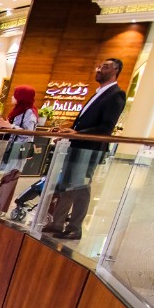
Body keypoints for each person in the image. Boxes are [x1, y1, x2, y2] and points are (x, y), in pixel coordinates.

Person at [43, 58, 127, 241]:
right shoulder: (97, 93)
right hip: (77, 146)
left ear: (115, 70)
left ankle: (75, 227)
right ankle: (57, 223)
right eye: (99, 66)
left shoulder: (116, 95)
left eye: (105, 67)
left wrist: (77, 132)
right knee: (65, 185)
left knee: (80, 187)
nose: (99, 69)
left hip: (90, 149)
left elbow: (106, 127)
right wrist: (69, 133)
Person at [0, 85, 38, 215]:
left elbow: (29, 132)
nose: (13, 97)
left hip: (19, 149)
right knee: (6, 177)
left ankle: (1, 209)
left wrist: (11, 126)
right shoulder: (19, 110)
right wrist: (5, 126)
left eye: (15, 94)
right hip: (12, 147)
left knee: (10, 177)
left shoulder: (29, 112)